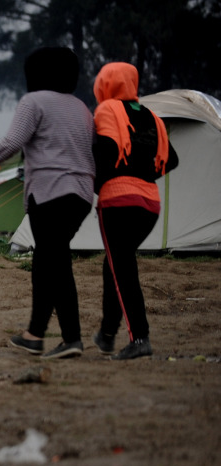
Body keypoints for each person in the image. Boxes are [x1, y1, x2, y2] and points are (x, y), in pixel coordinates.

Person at [0, 46, 95, 359]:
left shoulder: (33, 101)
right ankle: (37, 335)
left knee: (54, 263)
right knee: (50, 261)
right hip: (81, 194)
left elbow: (13, 141)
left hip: (50, 192)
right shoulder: (81, 108)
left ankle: (66, 337)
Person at [90, 62, 178, 360]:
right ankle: (107, 334)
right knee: (115, 265)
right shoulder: (153, 117)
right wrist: (143, 174)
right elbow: (172, 159)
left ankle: (139, 337)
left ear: (105, 84)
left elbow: (103, 152)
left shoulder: (106, 111)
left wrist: (96, 186)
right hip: (149, 204)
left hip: (118, 202)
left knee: (122, 269)